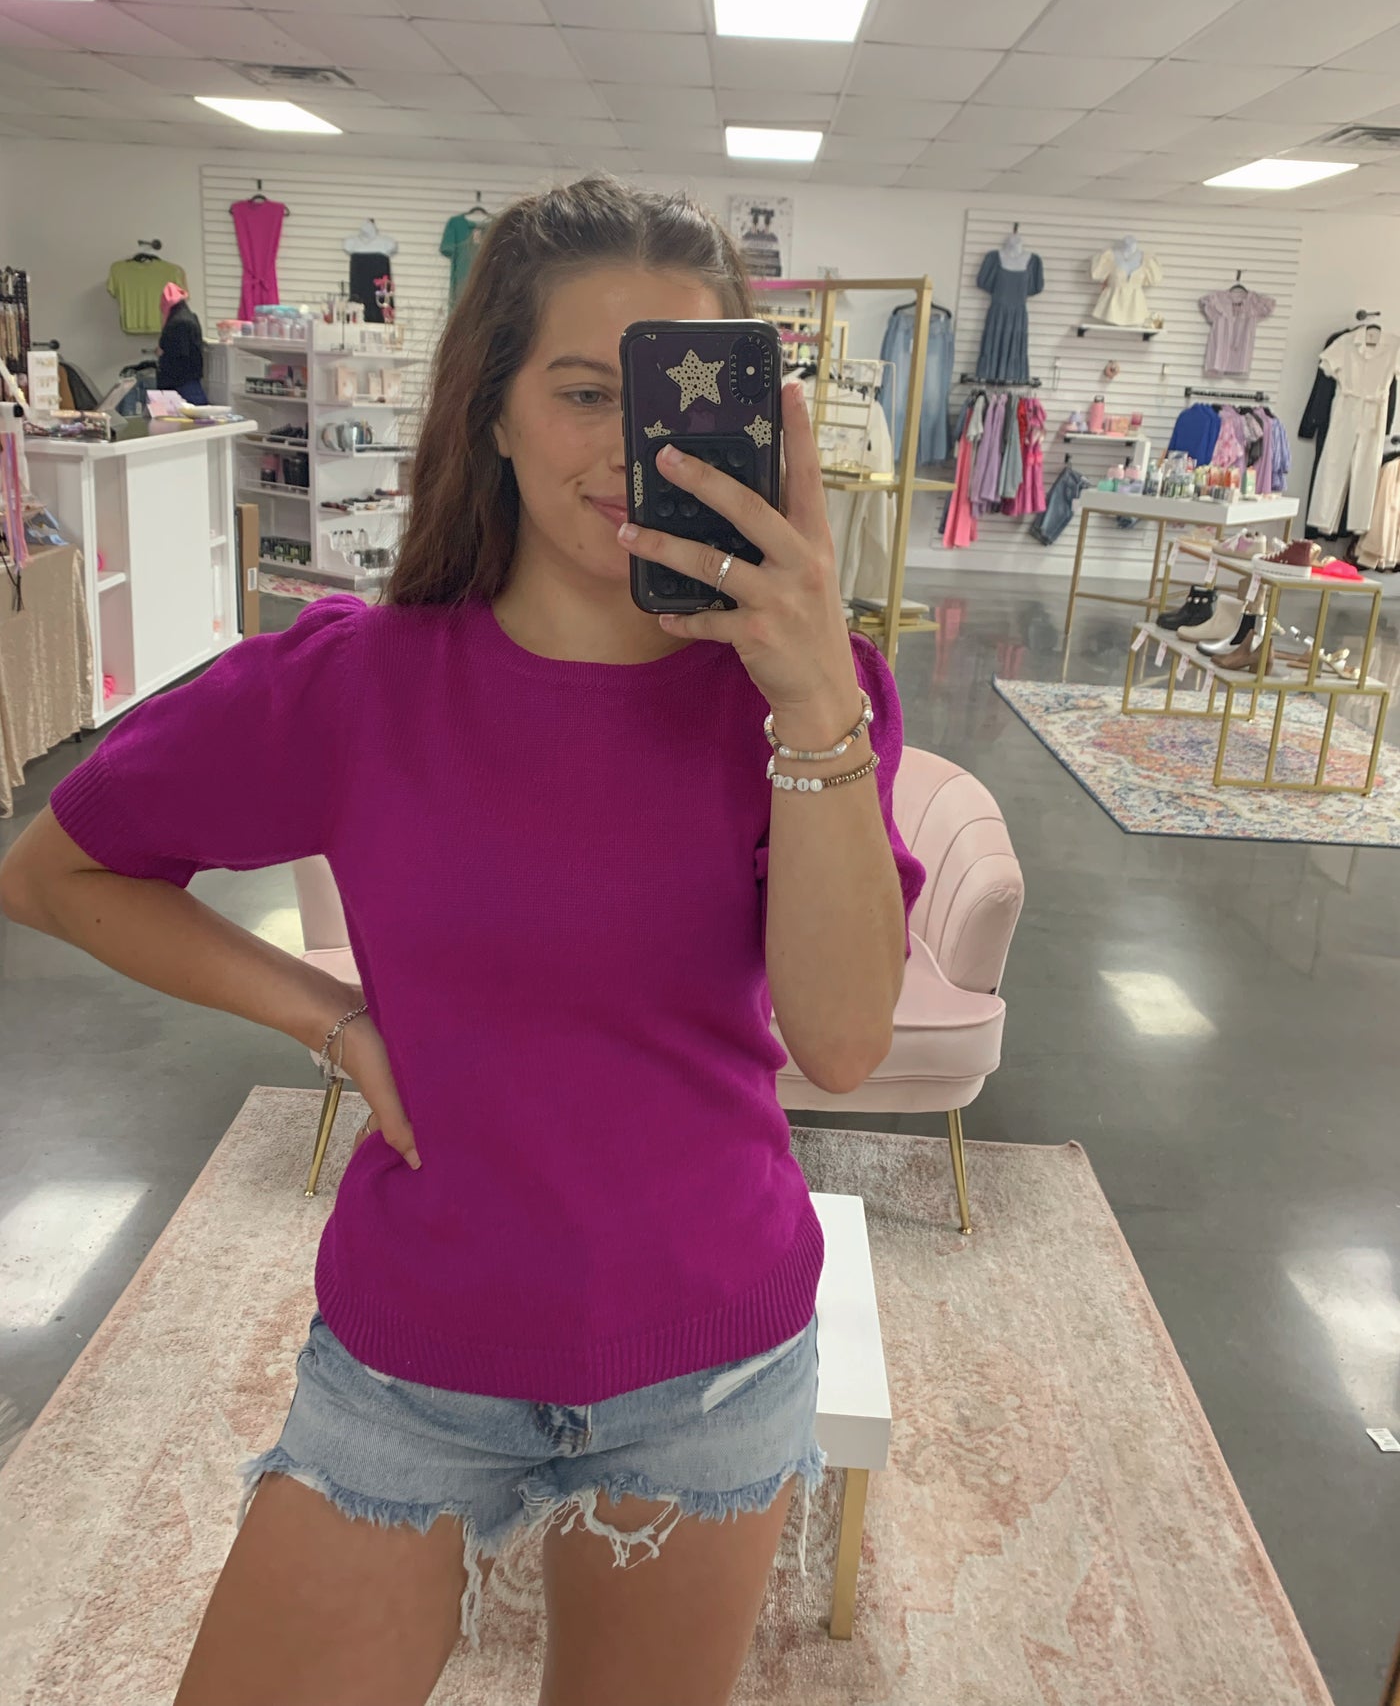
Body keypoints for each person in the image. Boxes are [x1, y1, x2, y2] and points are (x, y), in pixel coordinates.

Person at [0, 175, 924, 1706]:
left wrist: (816, 690)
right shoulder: (357, 688)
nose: (638, 448)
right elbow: (56, 870)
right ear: (489, 408)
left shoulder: (805, 705)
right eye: (582, 391)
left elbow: (842, 1040)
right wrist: (330, 1016)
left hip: (708, 1360)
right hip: (414, 1355)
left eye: (678, 399)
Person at [156, 281, 207, 404]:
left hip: (180, 383)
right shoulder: (191, 317)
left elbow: (179, 354)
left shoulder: (177, 323)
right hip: (190, 380)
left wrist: (163, 352)